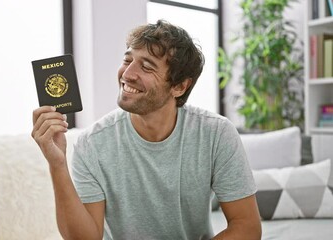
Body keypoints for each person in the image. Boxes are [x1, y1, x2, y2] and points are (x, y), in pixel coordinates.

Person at [32, 20, 261, 240]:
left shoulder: (216, 134)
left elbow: (247, 228)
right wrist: (57, 164)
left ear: (180, 86)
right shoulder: (92, 143)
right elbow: (86, 238)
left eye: (147, 67)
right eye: (127, 60)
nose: (128, 74)